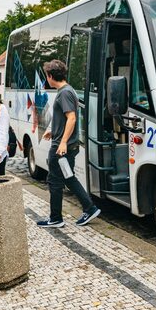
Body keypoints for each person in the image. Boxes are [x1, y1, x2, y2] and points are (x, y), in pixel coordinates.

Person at [37, 60, 101, 228]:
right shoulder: (68, 90)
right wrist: (55, 130)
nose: (47, 79)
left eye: (47, 76)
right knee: (68, 177)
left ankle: (56, 218)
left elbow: (71, 118)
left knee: (55, 181)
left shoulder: (64, 93)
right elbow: (66, 119)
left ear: (50, 76)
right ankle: (89, 207)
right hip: (63, 143)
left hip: (61, 147)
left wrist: (63, 142)